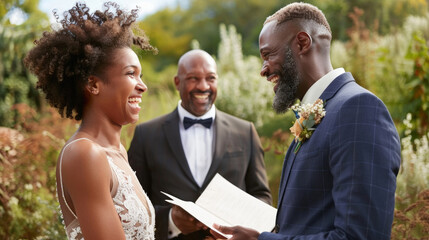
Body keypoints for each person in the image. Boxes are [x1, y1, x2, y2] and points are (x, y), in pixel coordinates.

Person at [212, 2, 401, 240]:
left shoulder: (358, 109)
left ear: (302, 43)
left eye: (268, 54)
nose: (263, 69)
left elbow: (360, 236)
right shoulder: (317, 115)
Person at [24, 2, 157, 239]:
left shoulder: (117, 153)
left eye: (141, 76)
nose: (143, 86)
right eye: (130, 73)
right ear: (93, 85)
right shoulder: (85, 154)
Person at [128, 49, 272, 240]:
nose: (203, 86)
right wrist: (170, 220)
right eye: (193, 78)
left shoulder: (245, 132)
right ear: (177, 83)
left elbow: (261, 196)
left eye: (210, 78)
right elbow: (131, 206)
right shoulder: (146, 135)